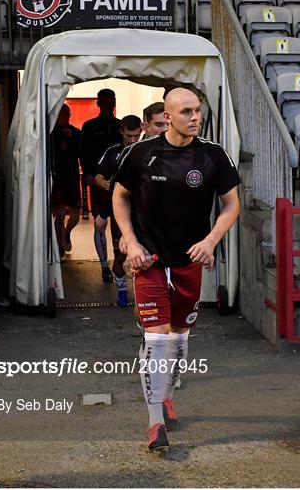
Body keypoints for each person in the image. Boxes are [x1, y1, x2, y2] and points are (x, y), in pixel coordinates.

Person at [113, 87, 241, 452]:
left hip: (189, 261)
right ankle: (155, 424)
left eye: (197, 110)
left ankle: (167, 395)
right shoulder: (141, 153)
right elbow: (119, 195)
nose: (195, 117)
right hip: (150, 260)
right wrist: (131, 241)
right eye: (186, 111)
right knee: (155, 340)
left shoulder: (213, 155)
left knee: (179, 340)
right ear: (167, 117)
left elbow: (232, 205)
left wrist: (211, 241)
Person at [93, 115, 142, 307]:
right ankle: (122, 291)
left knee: (145, 255)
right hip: (120, 214)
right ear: (121, 131)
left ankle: (144, 295)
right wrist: (104, 213)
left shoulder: (148, 150)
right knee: (121, 254)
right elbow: (97, 177)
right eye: (128, 136)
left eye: (136, 136)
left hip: (144, 214)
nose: (132, 140)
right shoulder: (113, 152)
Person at [80, 89, 122, 282]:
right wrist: (90, 176)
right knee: (99, 222)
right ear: (98, 103)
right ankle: (104, 266)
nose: (108, 105)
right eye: (104, 101)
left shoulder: (121, 126)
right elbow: (83, 154)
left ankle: (118, 262)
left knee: (120, 223)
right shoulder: (89, 126)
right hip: (98, 183)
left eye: (111, 101)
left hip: (120, 183)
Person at [51, 103, 81, 259]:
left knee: (75, 215)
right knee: (60, 214)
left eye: (66, 114)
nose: (63, 116)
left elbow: (82, 153)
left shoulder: (76, 133)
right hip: (57, 179)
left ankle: (66, 233)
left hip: (72, 177)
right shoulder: (50, 133)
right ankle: (59, 245)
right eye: (60, 113)